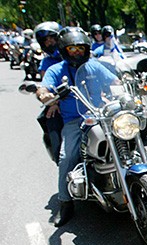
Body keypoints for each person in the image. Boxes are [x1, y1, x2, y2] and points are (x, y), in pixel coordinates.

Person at [36, 27, 118, 227]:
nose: (77, 52)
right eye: (72, 49)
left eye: (80, 48)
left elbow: (115, 80)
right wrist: (45, 95)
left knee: (127, 134)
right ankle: (65, 202)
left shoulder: (94, 66)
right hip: (75, 120)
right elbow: (43, 88)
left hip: (100, 115)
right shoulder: (57, 69)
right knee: (67, 157)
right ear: (64, 50)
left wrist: (127, 85)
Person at [34, 21, 63, 164]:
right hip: (59, 102)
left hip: (85, 100)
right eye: (45, 40)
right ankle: (62, 164)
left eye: (52, 38)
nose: (49, 42)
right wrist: (51, 100)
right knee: (52, 119)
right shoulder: (47, 63)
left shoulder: (77, 54)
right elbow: (45, 85)